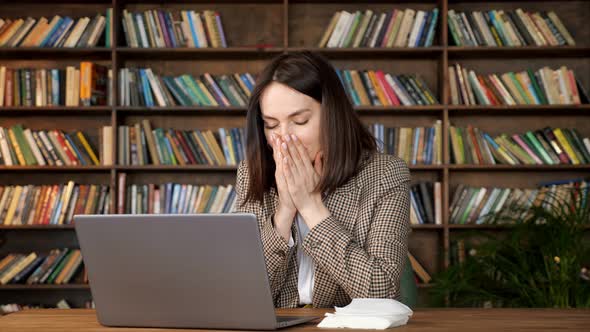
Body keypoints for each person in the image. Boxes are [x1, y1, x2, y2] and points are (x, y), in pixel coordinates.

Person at [234, 50, 411, 308]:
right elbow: (243, 294)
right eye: (271, 125)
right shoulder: (251, 174)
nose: (283, 138)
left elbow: (380, 290)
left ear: (332, 116)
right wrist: (284, 213)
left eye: (300, 121)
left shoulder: (385, 175)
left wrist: (310, 207)